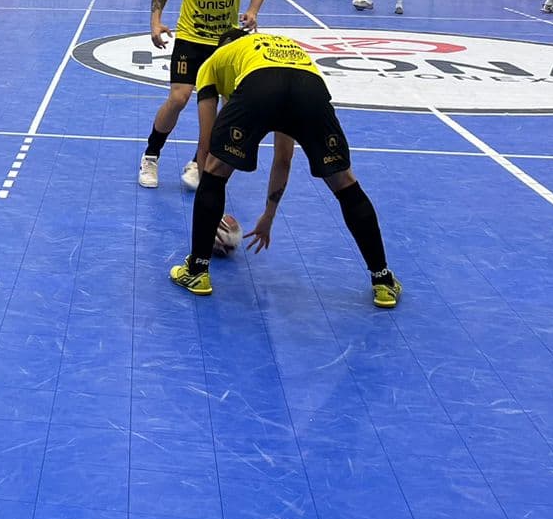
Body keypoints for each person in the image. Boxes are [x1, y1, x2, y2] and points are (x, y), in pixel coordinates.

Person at [169, 28, 401, 309]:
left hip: (259, 87)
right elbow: (283, 158)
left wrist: (209, 202)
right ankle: (382, 280)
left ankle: (197, 271)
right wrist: (269, 214)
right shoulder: (271, 49)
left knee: (216, 169)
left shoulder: (213, 62)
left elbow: (205, 146)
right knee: (345, 183)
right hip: (309, 86)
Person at [138, 0, 268, 192]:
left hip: (226, 44)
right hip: (190, 39)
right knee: (179, 98)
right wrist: (156, 22)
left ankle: (199, 161)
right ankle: (151, 155)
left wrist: (253, 10)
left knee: (223, 107)